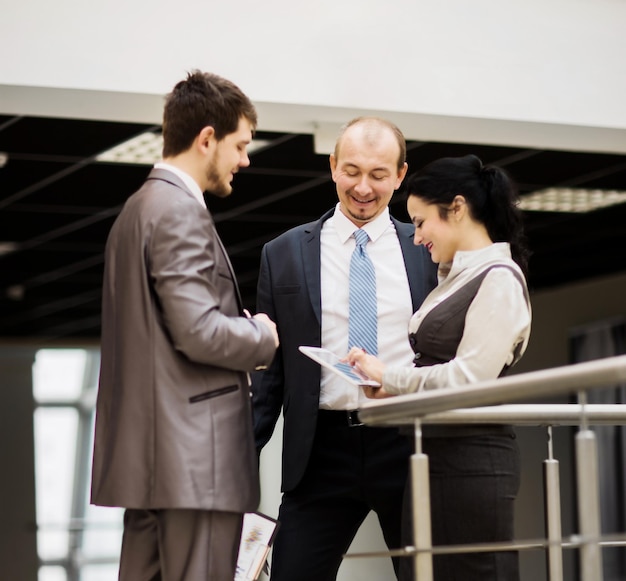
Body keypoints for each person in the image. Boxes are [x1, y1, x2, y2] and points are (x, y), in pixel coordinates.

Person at [90, 70, 279, 581]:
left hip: (153, 462)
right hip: (196, 462)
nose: (245, 159)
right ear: (206, 139)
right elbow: (198, 332)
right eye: (240, 145)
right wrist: (262, 335)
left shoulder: (137, 210)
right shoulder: (179, 212)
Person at [252, 116, 438, 581]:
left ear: (400, 175)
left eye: (378, 175)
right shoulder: (284, 253)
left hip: (406, 443)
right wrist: (239, 459)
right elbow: (269, 375)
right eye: (351, 170)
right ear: (333, 166)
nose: (362, 187)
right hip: (319, 450)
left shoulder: (427, 251)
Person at [346, 154, 532, 581]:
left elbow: (468, 379)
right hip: (433, 452)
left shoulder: (499, 277)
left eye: (421, 221)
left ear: (458, 208)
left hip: (472, 460)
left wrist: (387, 375)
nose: (416, 237)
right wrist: (392, 390)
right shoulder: (455, 276)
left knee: (471, 572)